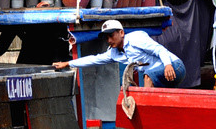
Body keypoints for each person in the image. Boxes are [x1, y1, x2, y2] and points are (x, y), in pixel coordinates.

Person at [52, 19, 186, 88]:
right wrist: (68, 63)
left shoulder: (136, 38)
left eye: (111, 36)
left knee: (147, 78)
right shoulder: (114, 53)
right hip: (161, 76)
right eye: (107, 38)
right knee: (139, 87)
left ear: (121, 33)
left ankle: (147, 114)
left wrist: (168, 65)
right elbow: (93, 59)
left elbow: (160, 50)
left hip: (174, 66)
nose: (109, 41)